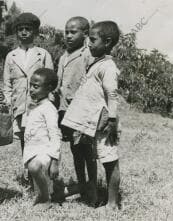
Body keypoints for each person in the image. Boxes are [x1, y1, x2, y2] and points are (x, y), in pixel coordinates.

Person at [61, 21, 121, 210]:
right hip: (95, 122)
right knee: (98, 157)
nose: (89, 44)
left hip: (104, 123)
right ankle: (91, 191)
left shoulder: (108, 66)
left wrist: (112, 120)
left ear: (108, 42)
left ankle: (112, 203)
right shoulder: (97, 63)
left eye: (93, 40)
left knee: (110, 161)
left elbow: (112, 95)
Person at [3, 12, 54, 184]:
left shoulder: (43, 54)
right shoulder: (11, 56)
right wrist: (7, 105)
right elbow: (7, 84)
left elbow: (52, 82)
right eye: (20, 29)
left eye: (28, 29)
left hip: (38, 106)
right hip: (19, 106)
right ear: (16, 32)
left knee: (40, 139)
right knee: (25, 139)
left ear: (35, 32)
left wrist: (49, 104)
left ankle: (43, 176)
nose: (24, 32)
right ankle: (30, 177)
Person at [56, 17, 95, 202]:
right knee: (75, 150)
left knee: (88, 151)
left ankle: (93, 188)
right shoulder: (64, 56)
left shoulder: (88, 54)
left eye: (74, 32)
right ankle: (81, 185)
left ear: (85, 34)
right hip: (67, 112)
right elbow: (60, 85)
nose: (69, 36)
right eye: (66, 32)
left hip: (84, 112)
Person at [23, 68, 61, 206]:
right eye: (30, 86)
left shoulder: (49, 108)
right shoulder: (36, 106)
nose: (31, 90)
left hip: (46, 153)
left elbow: (55, 135)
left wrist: (55, 161)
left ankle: (45, 199)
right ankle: (48, 195)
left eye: (36, 86)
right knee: (48, 188)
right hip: (33, 152)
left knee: (34, 167)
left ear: (49, 88)